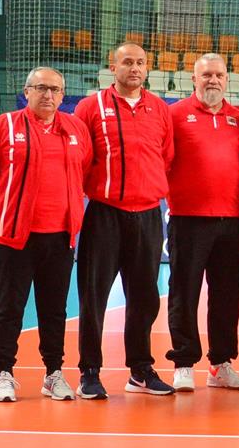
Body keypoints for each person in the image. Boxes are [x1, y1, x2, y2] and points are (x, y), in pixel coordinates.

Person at [0, 68, 92, 402]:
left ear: (63, 95)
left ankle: (53, 374)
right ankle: (4, 373)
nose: (48, 95)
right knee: (10, 307)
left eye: (55, 89)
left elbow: (85, 169)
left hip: (60, 236)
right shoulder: (2, 127)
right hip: (15, 237)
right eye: (41, 88)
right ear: (27, 92)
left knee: (54, 310)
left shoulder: (75, 129)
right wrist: (1, 212)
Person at [74, 43, 175, 397]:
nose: (134, 68)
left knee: (145, 298)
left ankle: (140, 370)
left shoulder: (159, 108)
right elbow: (80, 158)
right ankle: (89, 371)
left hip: (147, 215)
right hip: (104, 214)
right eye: (128, 62)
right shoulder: (90, 107)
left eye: (141, 63)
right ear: (112, 66)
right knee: (93, 297)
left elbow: (166, 156)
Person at [164, 53, 239, 392]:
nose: (213, 80)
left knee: (227, 296)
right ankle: (184, 363)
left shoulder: (238, 118)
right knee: (183, 293)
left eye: (219, 75)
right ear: (194, 79)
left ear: (227, 79)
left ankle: (221, 364)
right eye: (206, 75)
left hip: (231, 219)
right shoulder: (174, 115)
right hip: (188, 219)